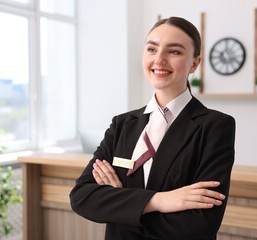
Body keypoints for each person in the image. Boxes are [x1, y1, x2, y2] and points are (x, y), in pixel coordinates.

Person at [70, 16, 236, 240]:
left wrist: (120, 205)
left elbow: (199, 225)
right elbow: (82, 197)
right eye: (151, 49)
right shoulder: (122, 124)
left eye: (174, 52)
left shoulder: (216, 126)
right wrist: (160, 201)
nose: (159, 60)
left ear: (195, 63)